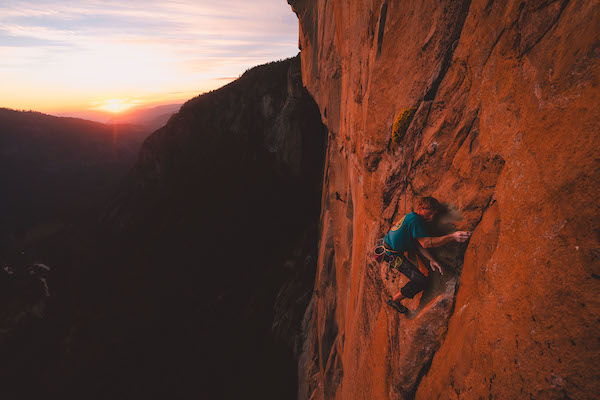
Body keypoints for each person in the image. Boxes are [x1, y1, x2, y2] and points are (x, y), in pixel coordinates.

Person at [384, 196, 470, 313]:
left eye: (434, 214)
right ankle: (395, 300)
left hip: (389, 249)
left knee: (420, 278)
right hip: (391, 254)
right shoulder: (415, 220)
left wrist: (431, 259)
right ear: (420, 208)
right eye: (429, 213)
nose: (431, 217)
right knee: (420, 281)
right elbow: (425, 243)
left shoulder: (413, 218)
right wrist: (452, 236)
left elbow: (418, 243)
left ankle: (396, 300)